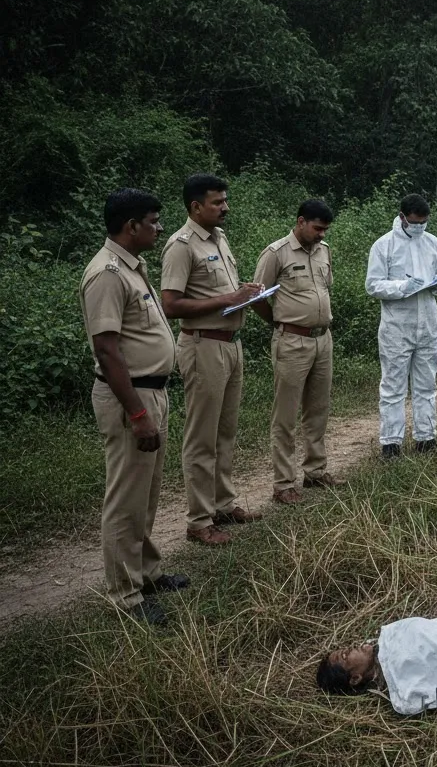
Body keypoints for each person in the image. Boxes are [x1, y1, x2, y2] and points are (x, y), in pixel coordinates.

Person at [80, 189, 188, 625]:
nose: (159, 228)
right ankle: (125, 594)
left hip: (152, 392)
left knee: (147, 491)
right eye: (154, 221)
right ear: (131, 227)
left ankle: (145, 571)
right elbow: (106, 350)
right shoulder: (106, 273)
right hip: (131, 399)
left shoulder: (133, 268)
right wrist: (138, 415)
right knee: (126, 496)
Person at [161, 174, 264, 546]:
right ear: (195, 207)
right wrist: (227, 299)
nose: (225, 207)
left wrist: (245, 295)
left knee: (225, 432)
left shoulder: (219, 239)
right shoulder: (181, 245)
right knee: (202, 437)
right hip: (202, 345)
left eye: (225, 200)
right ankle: (199, 521)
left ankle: (223, 505)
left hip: (229, 344)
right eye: (218, 202)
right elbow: (170, 304)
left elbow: (225, 293)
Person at [252, 200, 339, 505]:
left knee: (318, 410)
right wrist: (277, 321)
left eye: (325, 229)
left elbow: (325, 288)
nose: (321, 234)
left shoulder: (323, 250)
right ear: (301, 222)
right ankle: (283, 484)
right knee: (286, 415)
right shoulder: (277, 253)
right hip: (292, 342)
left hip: (322, 340)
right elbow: (257, 296)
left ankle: (315, 471)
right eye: (317, 228)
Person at [366, 194, 437, 459]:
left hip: (427, 324)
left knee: (426, 384)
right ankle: (391, 443)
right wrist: (403, 287)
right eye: (415, 222)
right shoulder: (384, 245)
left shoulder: (432, 243)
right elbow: (373, 285)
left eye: (424, 222)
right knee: (393, 385)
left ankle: (426, 438)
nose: (419, 227)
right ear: (402, 217)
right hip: (397, 327)